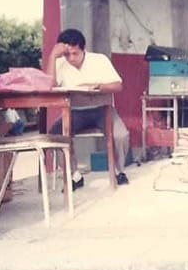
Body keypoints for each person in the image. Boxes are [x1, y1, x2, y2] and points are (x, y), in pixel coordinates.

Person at [46, 28, 131, 190]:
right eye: (67, 54)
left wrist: (98, 86)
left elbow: (118, 86)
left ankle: (119, 171)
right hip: (75, 111)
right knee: (54, 135)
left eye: (75, 53)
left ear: (83, 49)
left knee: (121, 135)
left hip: (102, 109)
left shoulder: (99, 60)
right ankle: (75, 176)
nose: (71, 58)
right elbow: (49, 87)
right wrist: (52, 56)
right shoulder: (59, 63)